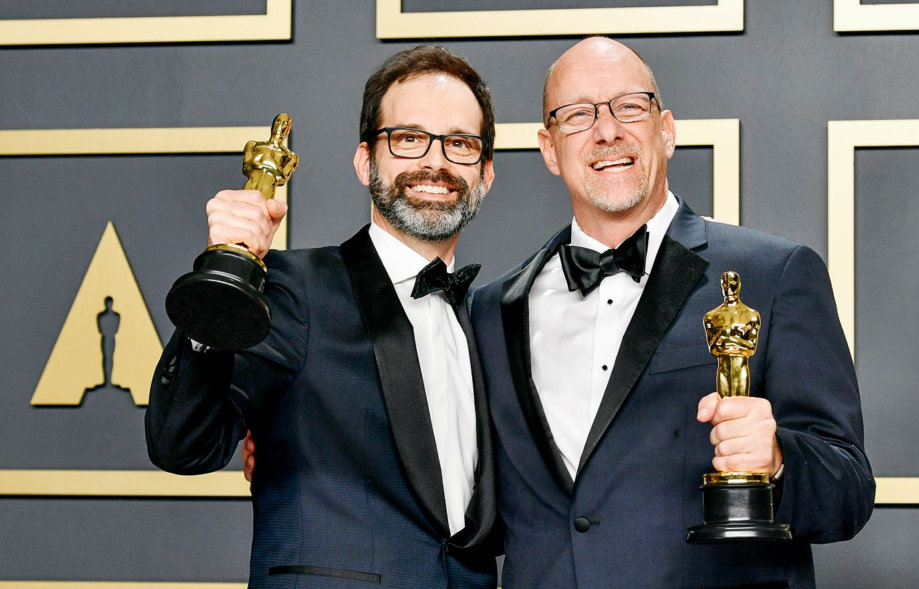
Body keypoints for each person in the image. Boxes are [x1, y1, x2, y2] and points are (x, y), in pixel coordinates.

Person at [469, 37, 875, 587]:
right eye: (577, 114)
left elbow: (848, 492)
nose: (606, 130)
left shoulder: (775, 274)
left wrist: (779, 456)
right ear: (548, 147)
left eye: (628, 106)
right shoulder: (492, 309)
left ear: (667, 130)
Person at [146, 44, 500, 588]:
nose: (435, 161)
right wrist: (222, 288)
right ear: (365, 161)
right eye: (408, 138)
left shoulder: (494, 320)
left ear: (485, 173)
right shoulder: (294, 291)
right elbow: (184, 445)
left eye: (459, 143)